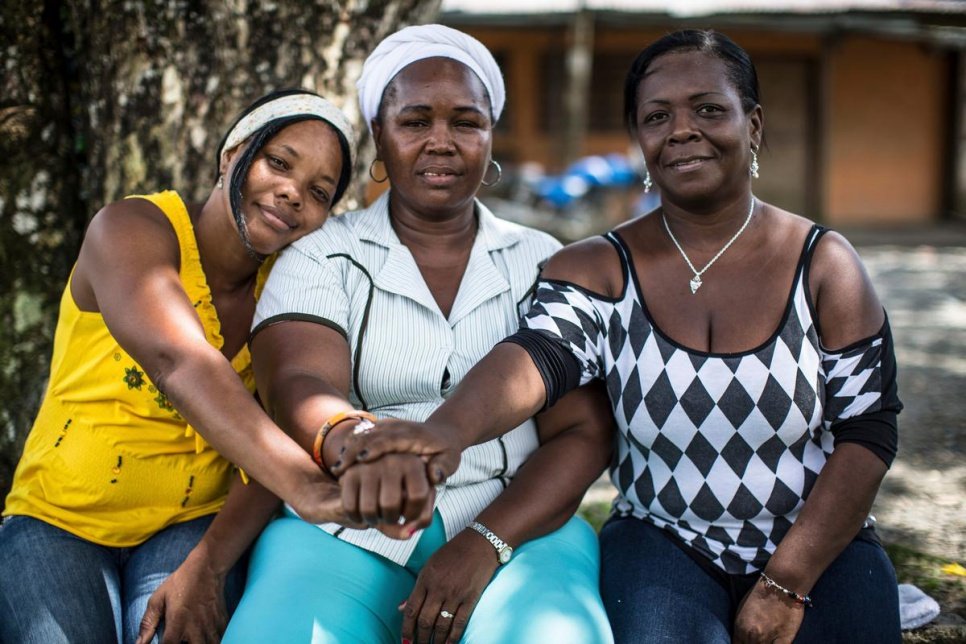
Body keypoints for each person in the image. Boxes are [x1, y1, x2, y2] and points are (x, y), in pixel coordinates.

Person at [337, 29, 903, 643]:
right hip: (664, 543)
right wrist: (442, 434)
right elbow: (537, 358)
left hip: (819, 542)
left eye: (709, 109)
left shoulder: (823, 263)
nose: (682, 130)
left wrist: (787, 581)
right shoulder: (597, 267)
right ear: (640, 139)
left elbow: (868, 432)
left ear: (754, 125)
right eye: (657, 116)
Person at [221, 24, 615, 644]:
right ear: (380, 132)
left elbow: (582, 432)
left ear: (490, 135)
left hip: (519, 523)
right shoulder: (323, 253)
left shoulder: (544, 259)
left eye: (465, 122)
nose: (441, 142)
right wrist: (360, 448)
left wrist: (485, 543)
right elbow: (298, 381)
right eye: (415, 122)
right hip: (344, 523)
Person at [0, 89, 356, 644]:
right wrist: (309, 487)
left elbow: (277, 425)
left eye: (318, 192)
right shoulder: (132, 228)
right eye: (279, 163)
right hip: (59, 517)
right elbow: (179, 362)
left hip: (192, 525)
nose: (291, 193)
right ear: (232, 154)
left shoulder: (295, 289)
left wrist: (210, 564)